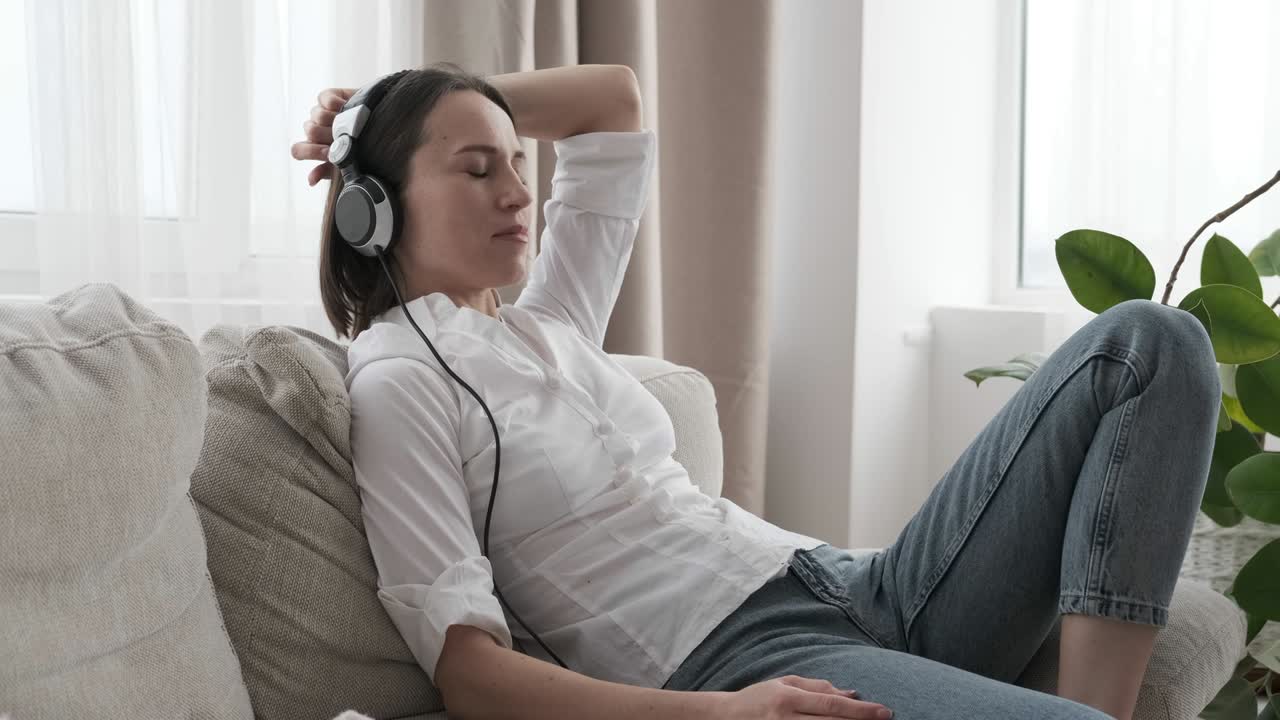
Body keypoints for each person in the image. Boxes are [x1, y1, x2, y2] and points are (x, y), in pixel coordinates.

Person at [290, 62, 1222, 720]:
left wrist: (393, 95)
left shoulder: (548, 322)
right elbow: (470, 675)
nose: (518, 195)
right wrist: (719, 715)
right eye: (476, 169)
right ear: (376, 208)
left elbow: (612, 102)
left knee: (1149, 342)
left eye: (517, 165)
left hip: (862, 586)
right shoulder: (401, 379)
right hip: (743, 659)